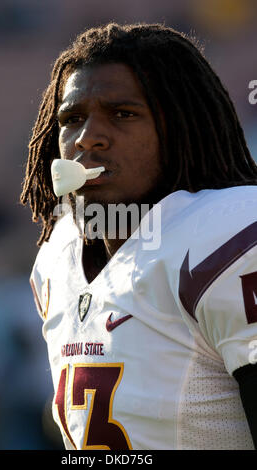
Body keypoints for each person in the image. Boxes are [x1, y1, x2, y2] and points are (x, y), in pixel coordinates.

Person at [20, 22, 257, 450]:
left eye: (123, 114)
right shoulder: (58, 259)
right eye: (71, 119)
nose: (87, 138)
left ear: (182, 128)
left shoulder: (229, 237)